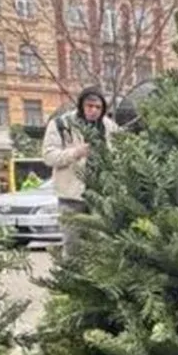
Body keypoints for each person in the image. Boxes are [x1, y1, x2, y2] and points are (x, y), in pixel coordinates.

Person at [42, 86, 118, 255]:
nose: (93, 111)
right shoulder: (61, 124)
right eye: (89, 106)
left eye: (98, 107)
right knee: (72, 243)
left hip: (101, 196)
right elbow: (48, 156)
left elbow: (119, 154)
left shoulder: (110, 127)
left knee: (102, 244)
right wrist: (75, 153)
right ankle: (71, 277)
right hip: (72, 196)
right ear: (81, 105)